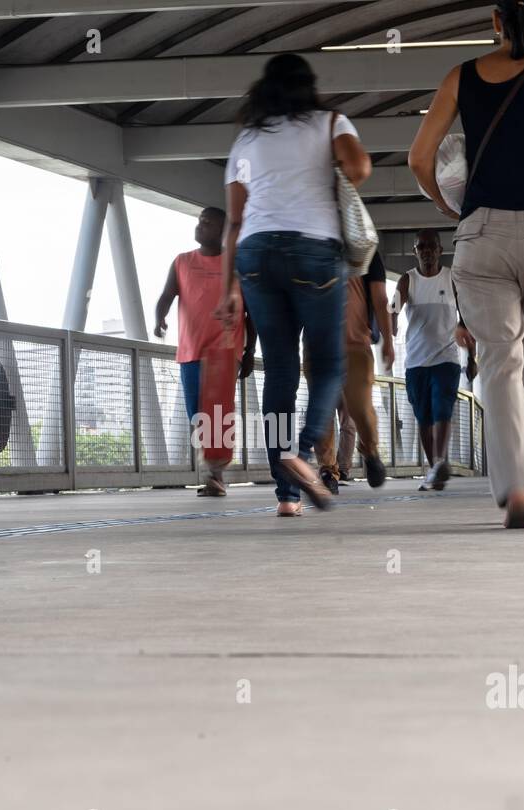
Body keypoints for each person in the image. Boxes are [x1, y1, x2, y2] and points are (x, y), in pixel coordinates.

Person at [410, 0, 524, 527]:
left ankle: (512, 485)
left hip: (481, 236)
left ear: (494, 21)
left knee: (499, 363)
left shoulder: (459, 77)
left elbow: (420, 159)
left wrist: (450, 206)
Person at [215, 53, 372, 516]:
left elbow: (234, 219)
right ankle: (302, 454)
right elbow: (360, 168)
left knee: (280, 369)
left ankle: (286, 494)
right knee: (326, 367)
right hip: (313, 251)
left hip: (257, 255)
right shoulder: (331, 123)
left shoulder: (247, 138)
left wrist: (229, 287)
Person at [153, 206, 255, 497]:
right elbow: (166, 296)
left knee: (218, 412)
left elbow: (250, 314)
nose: (201, 225)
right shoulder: (182, 262)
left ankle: (215, 476)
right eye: (200, 220)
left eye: (208, 222)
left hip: (225, 351)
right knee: (197, 414)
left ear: (223, 231)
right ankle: (214, 471)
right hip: (190, 351)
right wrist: (159, 317)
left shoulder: (235, 267)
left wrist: (249, 352)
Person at [392, 230, 469, 491]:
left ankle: (439, 462)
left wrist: (474, 357)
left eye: (431, 246)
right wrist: (389, 321)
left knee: (441, 409)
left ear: (439, 249)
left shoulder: (451, 278)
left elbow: (467, 317)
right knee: (424, 418)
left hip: (447, 358)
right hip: (416, 363)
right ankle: (435, 468)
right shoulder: (407, 280)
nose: (426, 251)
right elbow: (394, 307)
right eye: (420, 247)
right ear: (415, 252)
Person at [315, 248, 394, 493]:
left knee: (360, 408)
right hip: (318, 344)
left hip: (356, 344)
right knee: (322, 411)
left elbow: (380, 299)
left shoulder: (365, 250)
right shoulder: (310, 246)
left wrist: (388, 341)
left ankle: (370, 450)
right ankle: (328, 469)